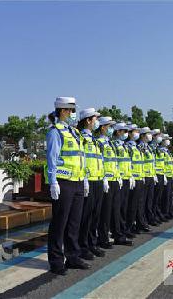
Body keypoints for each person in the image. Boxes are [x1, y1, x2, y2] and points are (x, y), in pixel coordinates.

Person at [46, 97, 90, 276]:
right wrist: (53, 181)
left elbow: (81, 157)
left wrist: (85, 179)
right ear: (63, 111)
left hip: (78, 182)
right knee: (59, 223)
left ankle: (73, 256)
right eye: (71, 111)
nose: (73, 115)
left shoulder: (75, 132)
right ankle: (56, 261)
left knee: (74, 223)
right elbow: (52, 158)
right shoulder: (55, 132)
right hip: (63, 183)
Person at [77, 108, 106, 259]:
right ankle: (83, 246)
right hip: (87, 181)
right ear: (88, 120)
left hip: (98, 181)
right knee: (86, 216)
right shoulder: (81, 138)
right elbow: (82, 161)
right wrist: (85, 179)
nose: (97, 122)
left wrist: (104, 178)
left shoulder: (94, 141)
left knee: (95, 215)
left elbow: (100, 161)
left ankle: (92, 244)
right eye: (95, 119)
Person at [96, 116, 121, 249]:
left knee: (114, 209)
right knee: (105, 212)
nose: (112, 129)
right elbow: (100, 162)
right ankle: (103, 238)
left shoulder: (110, 143)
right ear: (103, 127)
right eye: (109, 126)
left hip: (115, 179)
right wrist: (104, 177)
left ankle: (116, 234)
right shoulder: (98, 143)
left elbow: (114, 162)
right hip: (106, 180)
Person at [111, 122, 135, 242]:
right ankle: (118, 233)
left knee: (124, 207)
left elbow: (127, 162)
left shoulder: (124, 146)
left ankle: (123, 230)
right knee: (117, 208)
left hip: (125, 179)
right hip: (118, 179)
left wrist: (130, 176)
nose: (126, 134)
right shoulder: (114, 145)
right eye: (124, 131)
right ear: (118, 132)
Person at [126, 124, 149, 234]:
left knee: (139, 203)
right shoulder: (128, 147)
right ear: (129, 133)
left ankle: (137, 224)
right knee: (132, 205)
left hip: (140, 178)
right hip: (133, 179)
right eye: (134, 131)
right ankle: (130, 226)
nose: (137, 133)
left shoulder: (136, 147)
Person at [139, 127, 159, 227]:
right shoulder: (140, 147)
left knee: (149, 200)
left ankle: (148, 219)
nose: (150, 136)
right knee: (142, 201)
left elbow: (152, 162)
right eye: (148, 134)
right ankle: (142, 221)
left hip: (150, 176)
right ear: (142, 135)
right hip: (144, 176)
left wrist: (154, 174)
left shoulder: (149, 148)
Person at [161, 134, 173, 220]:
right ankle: (165, 213)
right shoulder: (160, 151)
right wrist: (164, 175)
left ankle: (170, 212)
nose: (168, 141)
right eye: (166, 139)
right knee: (165, 196)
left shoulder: (167, 151)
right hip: (165, 175)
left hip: (169, 175)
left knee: (169, 196)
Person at [150, 129, 168, 223]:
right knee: (153, 198)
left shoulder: (156, 148)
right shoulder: (151, 147)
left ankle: (156, 214)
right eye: (158, 135)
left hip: (159, 174)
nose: (160, 137)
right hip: (154, 174)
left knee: (157, 197)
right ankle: (152, 216)